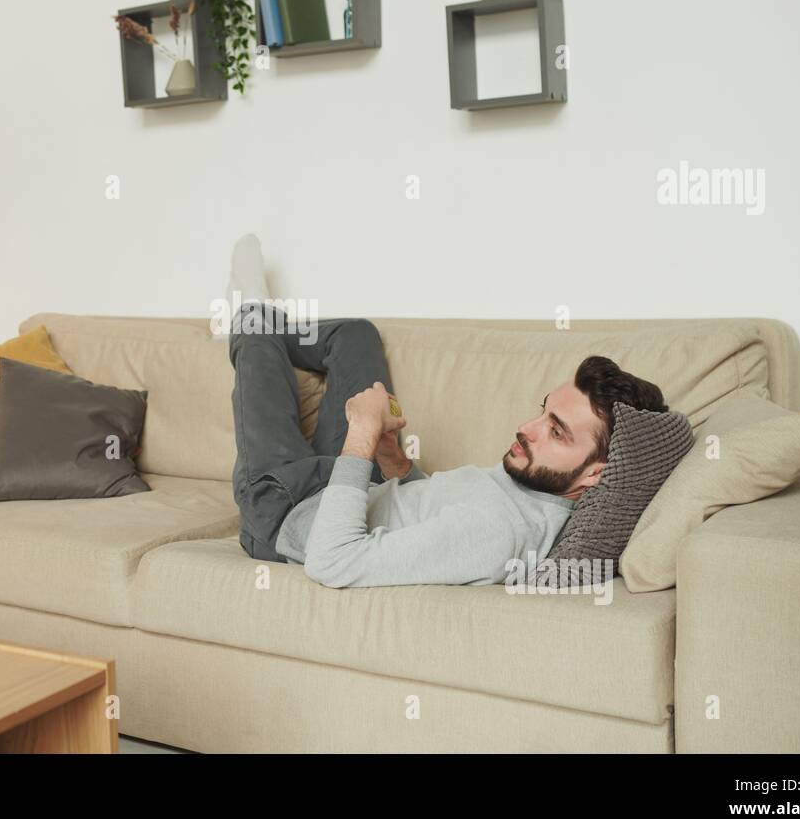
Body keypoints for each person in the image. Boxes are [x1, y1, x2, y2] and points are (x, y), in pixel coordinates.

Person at [222, 234, 670, 588]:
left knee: (258, 342)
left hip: (289, 511)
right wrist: (394, 462)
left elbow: (332, 560)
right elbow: (430, 511)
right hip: (352, 486)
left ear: (596, 473)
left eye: (556, 432)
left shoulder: (498, 532)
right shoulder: (532, 490)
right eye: (542, 412)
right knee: (356, 335)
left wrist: (360, 432)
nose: (526, 428)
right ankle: (262, 326)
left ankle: (252, 313)